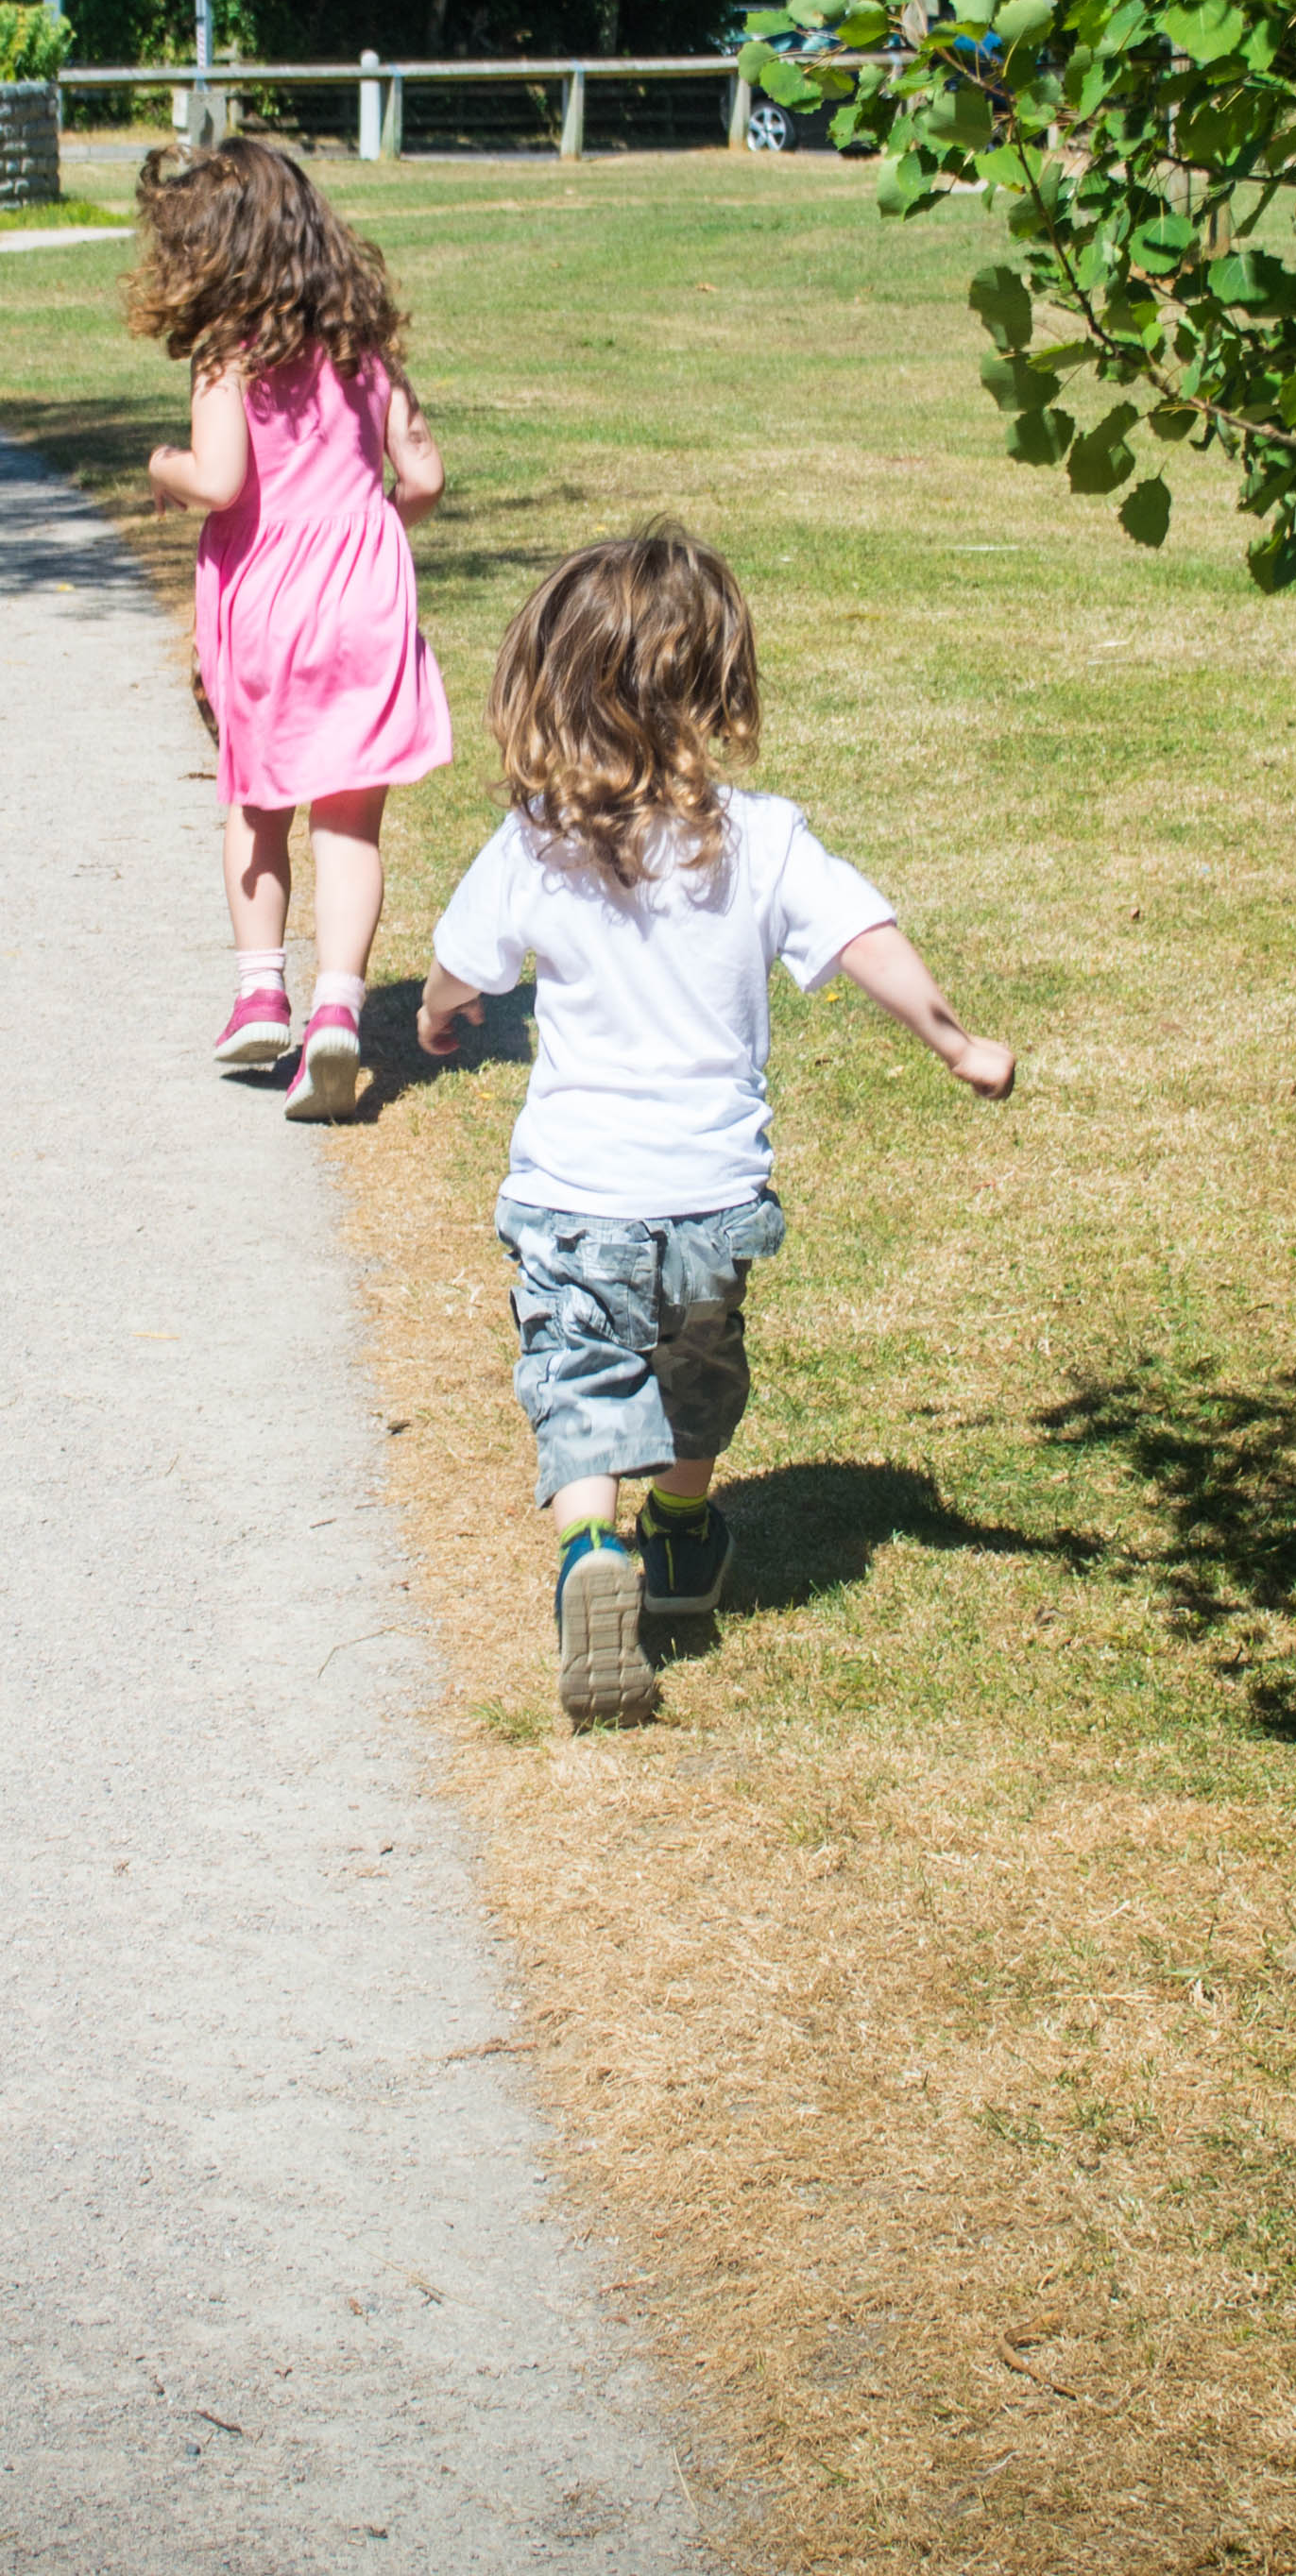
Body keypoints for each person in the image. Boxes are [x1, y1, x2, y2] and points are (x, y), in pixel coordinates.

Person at [418, 524, 1014, 1729]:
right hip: (708, 1191)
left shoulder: (535, 837)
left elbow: (455, 966)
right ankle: (682, 1537)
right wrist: (956, 1041)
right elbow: (865, 943)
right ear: (714, 687)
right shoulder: (762, 838)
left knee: (577, 1370)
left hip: (575, 1190)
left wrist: (442, 1013)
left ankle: (593, 1553)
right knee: (696, 1368)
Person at [132, 134, 452, 1118]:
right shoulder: (365, 351)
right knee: (349, 819)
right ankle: (339, 1012)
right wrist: (371, 535)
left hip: (268, 604)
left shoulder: (228, 357)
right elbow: (425, 478)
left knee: (256, 799)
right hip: (363, 601)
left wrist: (160, 467)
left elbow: (220, 479)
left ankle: (260, 989)